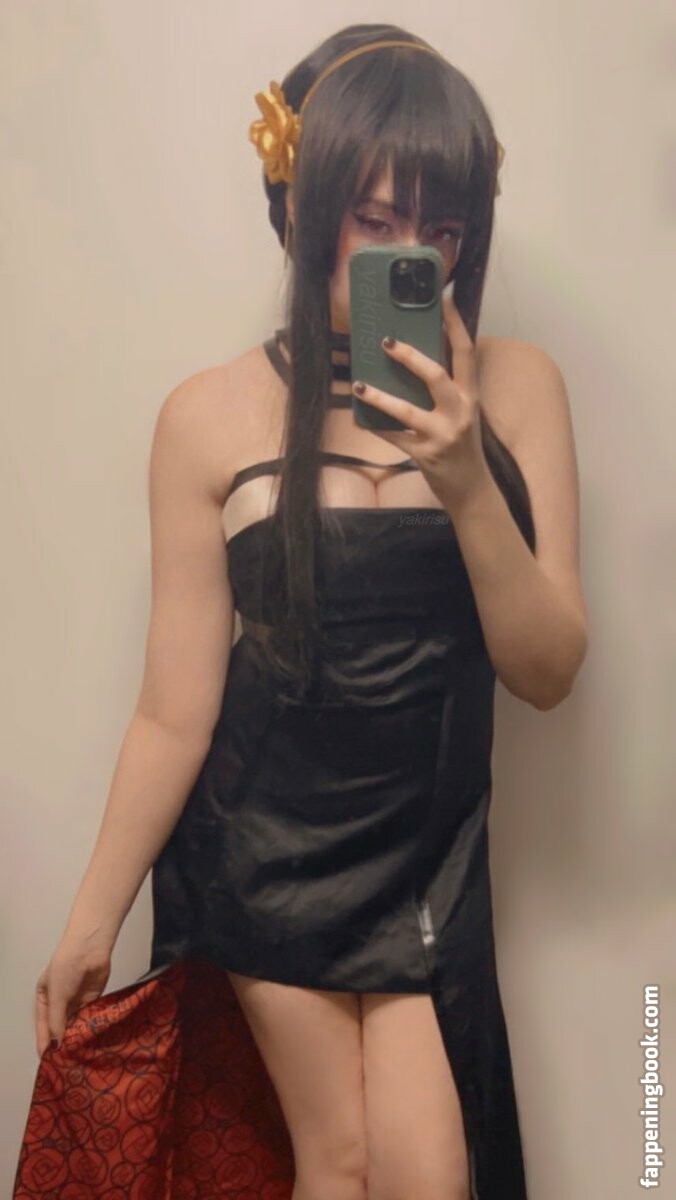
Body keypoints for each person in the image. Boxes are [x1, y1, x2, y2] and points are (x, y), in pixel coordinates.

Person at [13, 22, 588, 1200]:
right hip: (263, 850)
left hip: (427, 857)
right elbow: (174, 711)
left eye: (440, 230)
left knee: (430, 1173)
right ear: (298, 203)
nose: (408, 252)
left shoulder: (518, 390)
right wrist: (91, 919)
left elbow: (547, 669)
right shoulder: (207, 416)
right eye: (373, 220)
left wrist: (465, 476)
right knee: (338, 1161)